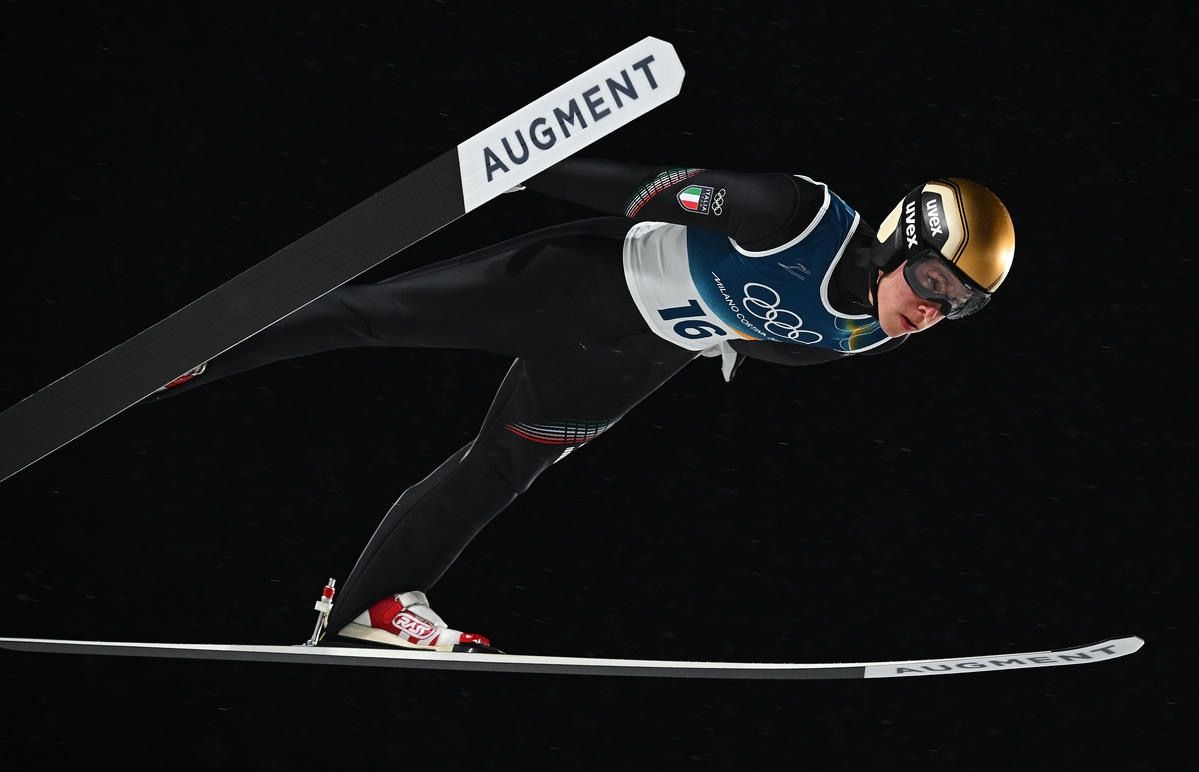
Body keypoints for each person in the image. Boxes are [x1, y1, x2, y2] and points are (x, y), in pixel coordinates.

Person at [144, 157, 1016, 653]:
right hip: (576, 287)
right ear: (900, 238)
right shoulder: (795, 217)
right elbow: (648, 190)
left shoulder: (875, 336)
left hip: (626, 364)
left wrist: (718, 344)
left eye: (960, 305)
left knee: (498, 469)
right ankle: (187, 362)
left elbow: (778, 339)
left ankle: (366, 609)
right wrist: (517, 170)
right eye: (933, 280)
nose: (932, 309)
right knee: (371, 317)